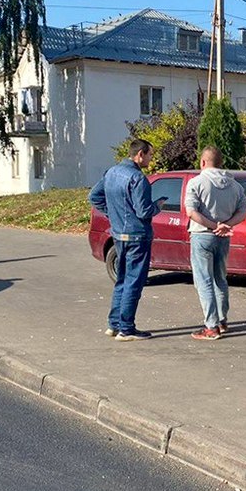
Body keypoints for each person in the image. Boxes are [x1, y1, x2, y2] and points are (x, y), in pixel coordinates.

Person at [88, 139, 159, 342]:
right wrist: (158, 206)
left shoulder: (111, 172)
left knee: (122, 279)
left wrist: (113, 214)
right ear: (140, 155)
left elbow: (94, 196)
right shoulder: (138, 178)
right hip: (138, 235)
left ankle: (114, 324)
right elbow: (143, 211)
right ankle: (126, 328)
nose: (151, 159)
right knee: (134, 282)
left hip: (119, 234)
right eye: (150, 155)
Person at [185, 146, 246, 341]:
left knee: (204, 280)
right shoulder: (235, 185)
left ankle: (211, 326)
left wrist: (214, 225)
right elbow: (243, 213)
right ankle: (222, 321)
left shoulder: (196, 183)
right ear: (221, 162)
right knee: (220, 278)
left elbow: (191, 212)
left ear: (203, 162)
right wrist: (225, 225)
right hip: (223, 237)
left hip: (202, 235)